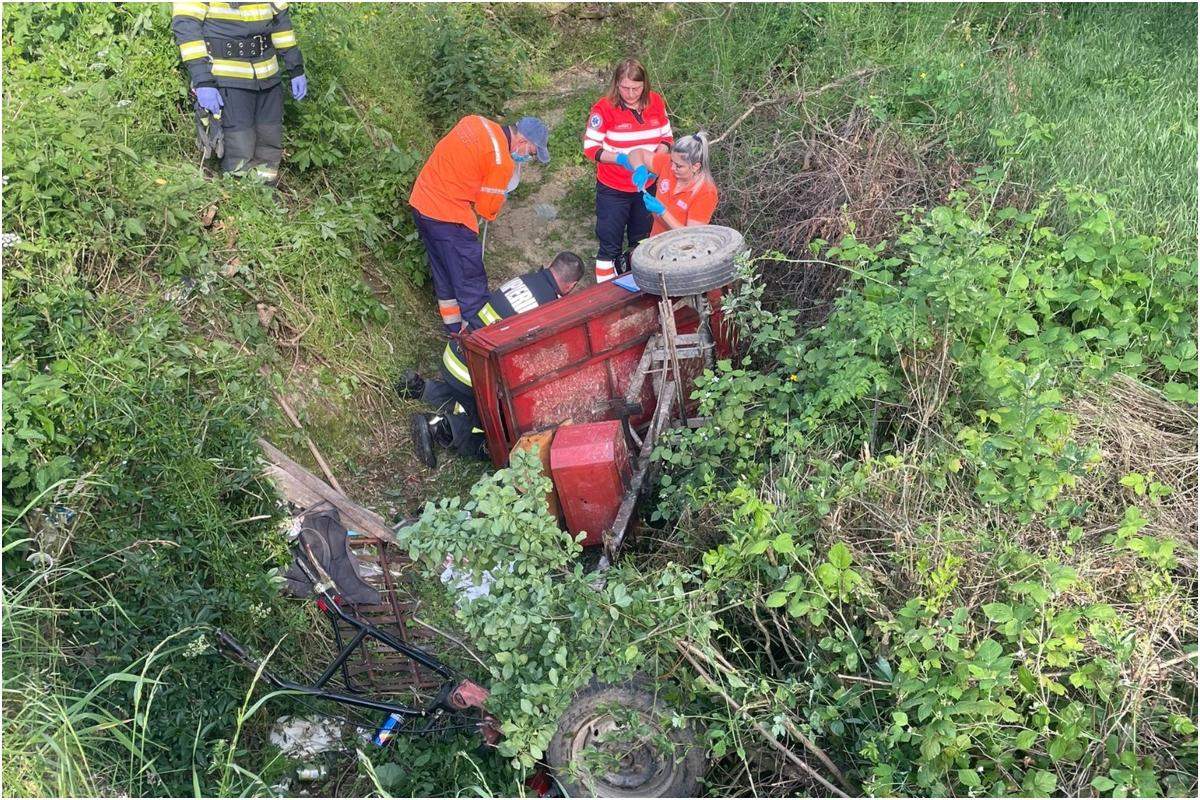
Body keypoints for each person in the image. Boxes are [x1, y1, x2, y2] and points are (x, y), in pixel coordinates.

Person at [399, 252, 585, 467]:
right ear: (571, 286)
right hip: (470, 374)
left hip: (454, 354)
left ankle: (418, 389)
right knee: (496, 432)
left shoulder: (525, 280)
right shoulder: (546, 306)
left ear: (552, 264)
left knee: (468, 400)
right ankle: (438, 427)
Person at [409, 115, 550, 334]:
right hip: (449, 218)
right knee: (470, 283)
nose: (527, 159)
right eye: (531, 153)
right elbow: (486, 211)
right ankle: (481, 340)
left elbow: (465, 163)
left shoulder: (475, 122)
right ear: (522, 141)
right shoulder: (501, 163)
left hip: (422, 202)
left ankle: (454, 330)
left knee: (444, 273)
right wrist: (499, 197)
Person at [171, 1, 307, 184]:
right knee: (239, 149)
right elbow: (187, 27)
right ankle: (240, 201)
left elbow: (280, 21)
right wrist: (203, 80)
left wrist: (295, 67)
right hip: (227, 77)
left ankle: (265, 199)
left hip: (268, 77)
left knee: (270, 143)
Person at [582, 58, 673, 284]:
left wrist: (655, 162)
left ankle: (638, 285)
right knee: (609, 244)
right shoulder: (603, 109)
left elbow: (666, 137)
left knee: (641, 240)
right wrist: (621, 159)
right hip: (613, 189)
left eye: (636, 88)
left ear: (645, 85)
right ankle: (606, 292)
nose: (630, 93)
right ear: (616, 84)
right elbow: (591, 149)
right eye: (625, 88)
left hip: (646, 186)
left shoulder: (655, 102)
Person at [625, 132, 719, 237]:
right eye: (672, 162)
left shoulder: (706, 192)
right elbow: (636, 153)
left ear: (695, 166)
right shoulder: (668, 164)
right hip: (656, 240)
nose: (672, 168)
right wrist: (639, 168)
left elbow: (691, 236)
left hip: (679, 248)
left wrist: (663, 212)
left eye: (679, 166)